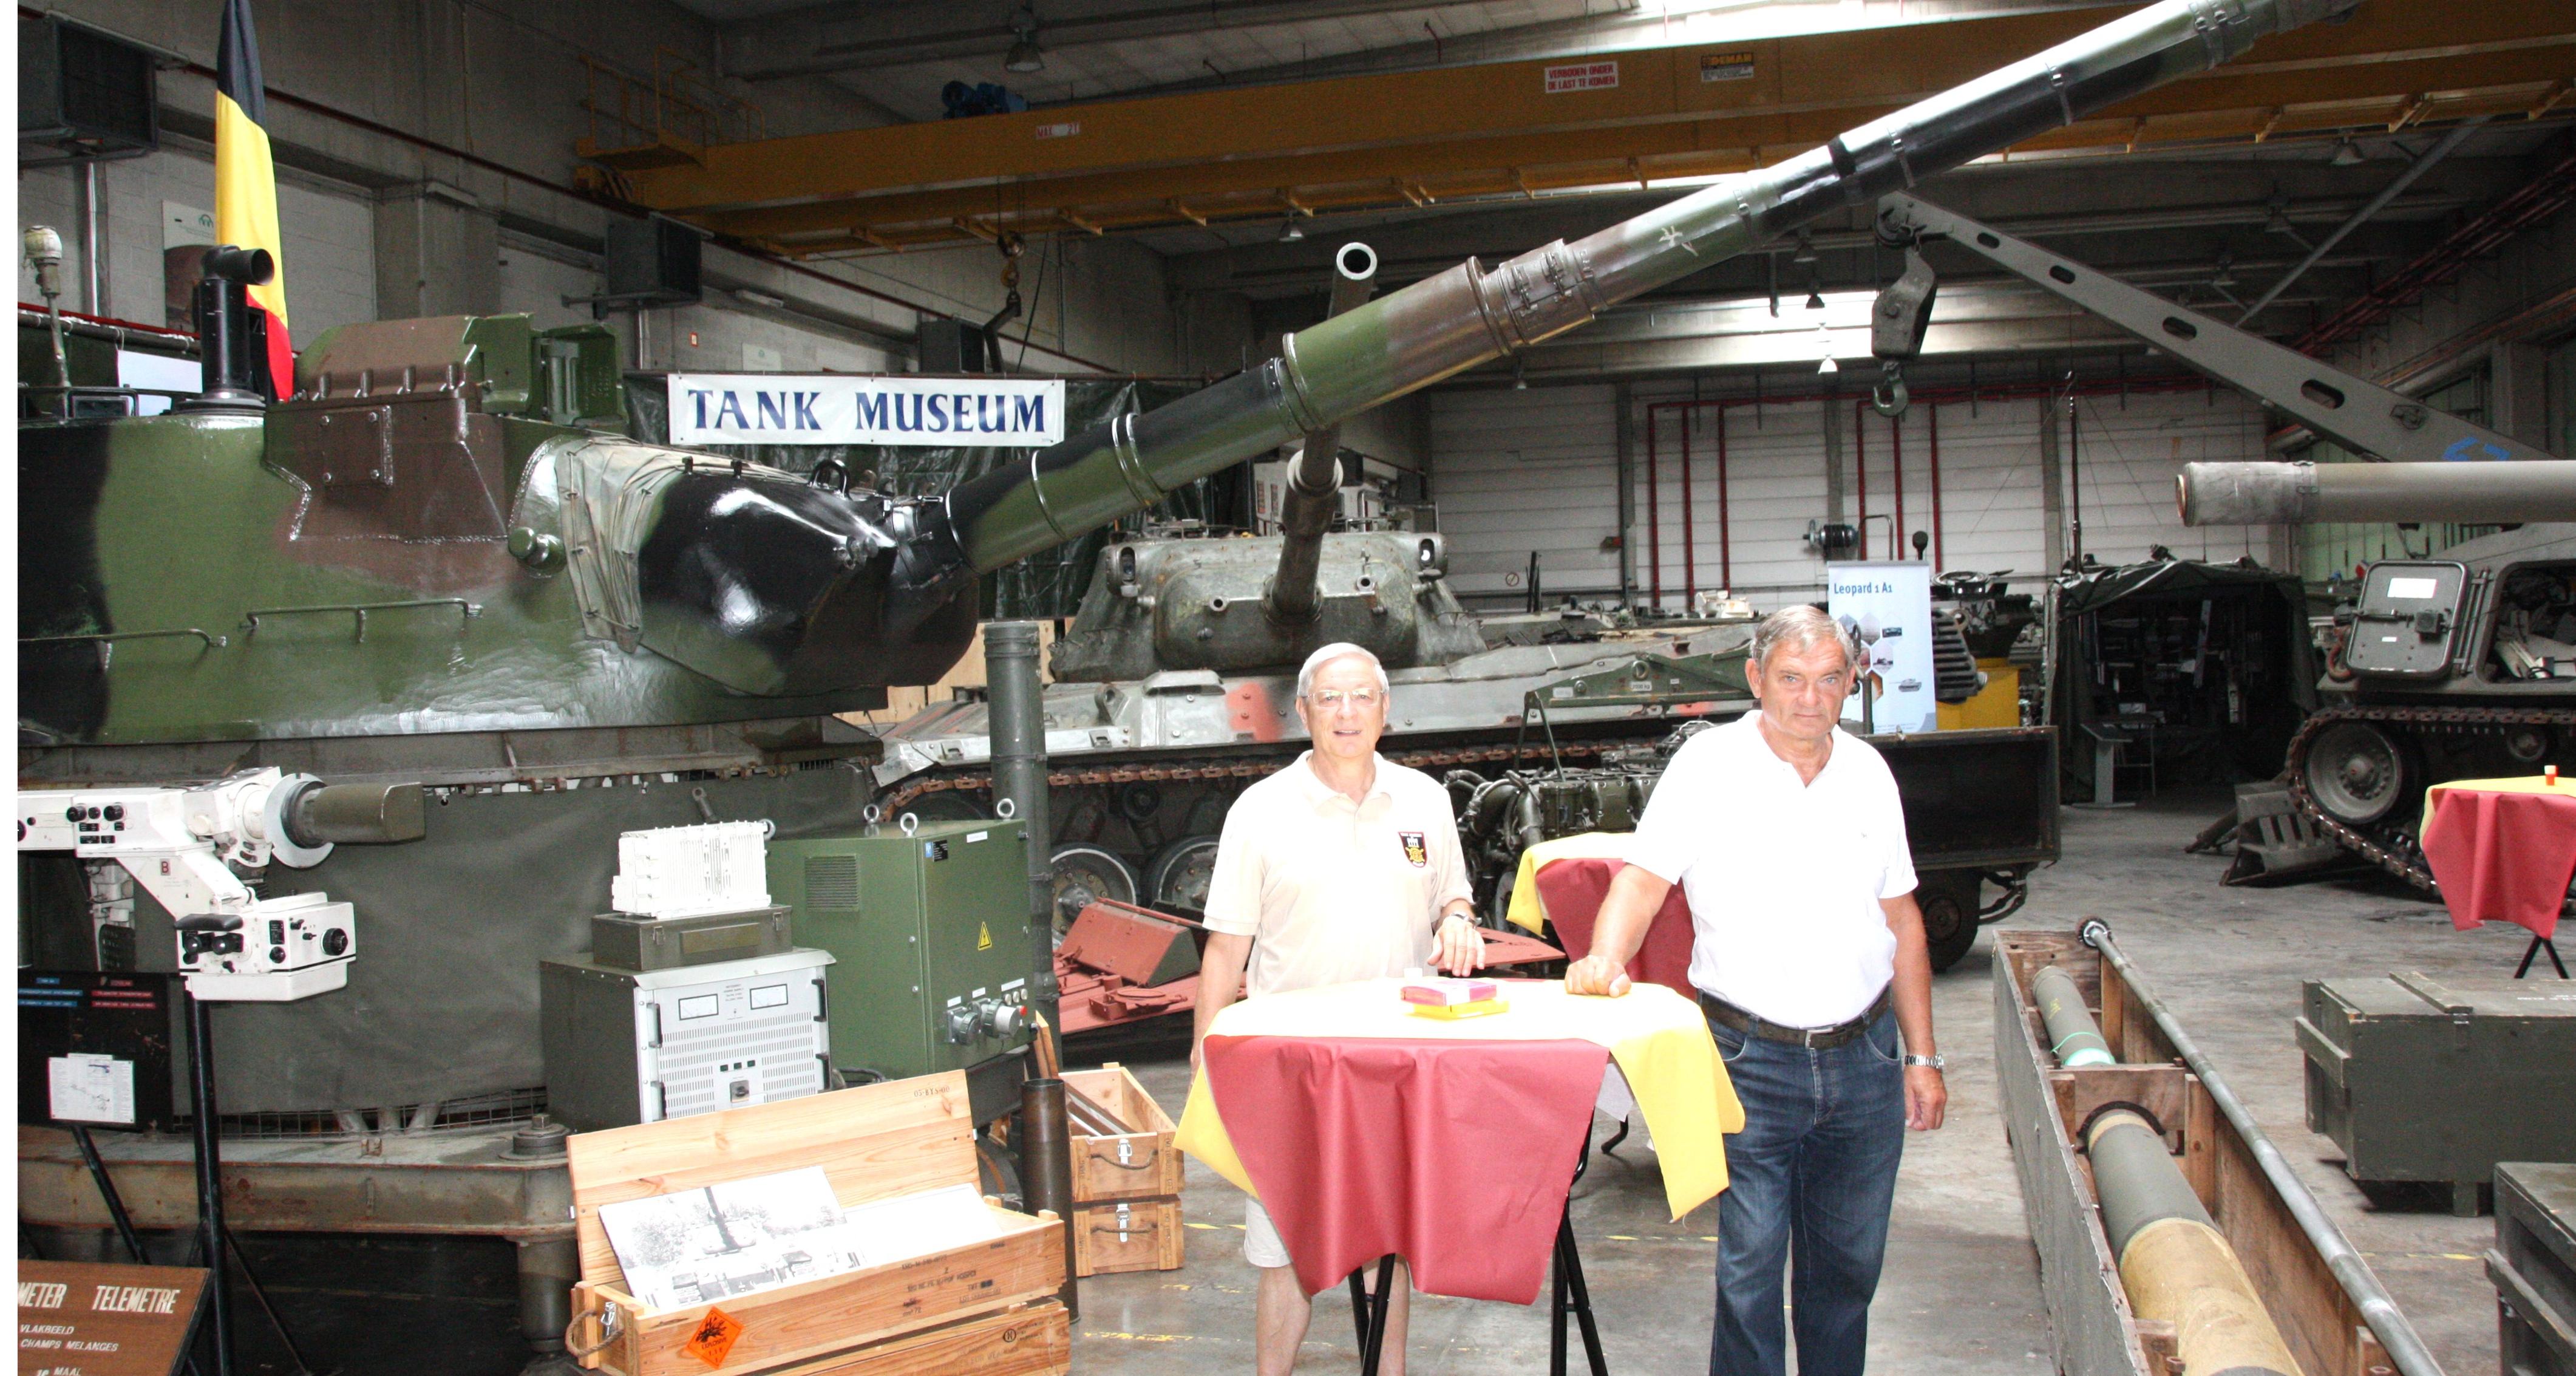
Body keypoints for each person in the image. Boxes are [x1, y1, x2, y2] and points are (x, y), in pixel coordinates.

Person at [1565, 604, 1946, 1376]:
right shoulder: (1709, 766)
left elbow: (1902, 920)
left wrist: (1922, 1056)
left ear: (1850, 684)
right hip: (1747, 1060)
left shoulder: (1869, 774)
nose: (1810, 697)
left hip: (1866, 1060)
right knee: (1748, 1272)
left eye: (1829, 680)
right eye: (1791, 679)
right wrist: (1605, 958)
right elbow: (1642, 884)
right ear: (1755, 679)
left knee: (1846, 1271)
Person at [1194, 642, 1486, 1376]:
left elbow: (1450, 892)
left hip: (1397, 1064)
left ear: (1386, 710)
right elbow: (1225, 952)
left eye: (1362, 697)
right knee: (1284, 1247)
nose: (1347, 713)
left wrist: (1456, 917)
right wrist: (1206, 1055)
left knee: (1386, 1245)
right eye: (1330, 699)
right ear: (1304, 712)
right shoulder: (1259, 812)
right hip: (1291, 1068)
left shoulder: (1422, 801)